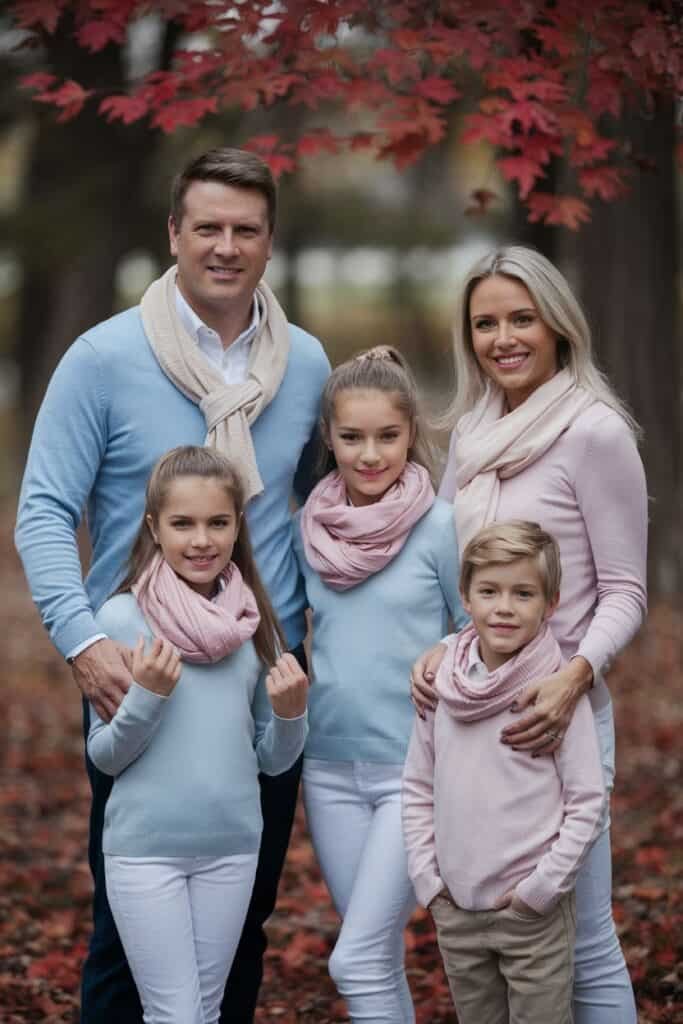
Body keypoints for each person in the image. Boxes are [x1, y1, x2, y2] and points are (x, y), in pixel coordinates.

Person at [15, 147, 330, 1024]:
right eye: (207, 227)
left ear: (269, 242)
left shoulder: (304, 364)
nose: (225, 246)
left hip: (265, 668)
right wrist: (82, 643)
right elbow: (42, 512)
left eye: (245, 230)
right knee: (130, 919)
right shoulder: (103, 357)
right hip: (137, 660)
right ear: (173, 234)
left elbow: (326, 508)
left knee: (244, 917)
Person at [410, 245, 647, 1022]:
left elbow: (624, 591)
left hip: (556, 714)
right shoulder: (473, 431)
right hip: (472, 715)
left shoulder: (594, 431)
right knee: (499, 934)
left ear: (557, 325)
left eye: (521, 318)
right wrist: (444, 650)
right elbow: (459, 577)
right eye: (484, 323)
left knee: (580, 939)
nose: (503, 337)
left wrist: (573, 676)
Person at [88, 445, 309, 1023]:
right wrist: (148, 698)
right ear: (153, 527)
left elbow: (272, 762)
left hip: (232, 851)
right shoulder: (119, 620)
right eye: (182, 523)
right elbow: (105, 758)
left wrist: (291, 714)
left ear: (239, 525)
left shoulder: (254, 625)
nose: (201, 540)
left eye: (218, 522)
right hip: (144, 854)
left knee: (205, 1015)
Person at [293, 346, 468, 1023]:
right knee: (376, 956)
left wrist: (445, 654)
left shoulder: (440, 528)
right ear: (328, 438)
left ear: (410, 433)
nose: (370, 454)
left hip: (413, 771)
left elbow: (478, 631)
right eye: (351, 437)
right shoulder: (306, 528)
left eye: (387, 436)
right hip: (328, 769)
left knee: (353, 959)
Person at [403, 519, 606, 1024]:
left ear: (550, 604)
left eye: (523, 593)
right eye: (489, 591)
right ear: (466, 598)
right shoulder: (442, 687)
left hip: (530, 915)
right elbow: (416, 787)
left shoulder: (555, 696)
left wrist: (540, 890)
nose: (505, 607)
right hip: (458, 910)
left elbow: (587, 801)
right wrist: (430, 881)